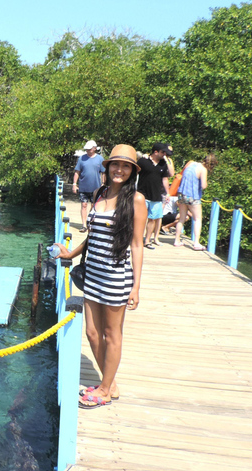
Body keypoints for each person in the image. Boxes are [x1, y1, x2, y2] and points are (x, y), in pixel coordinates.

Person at [54, 144, 146, 408]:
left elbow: (137, 244)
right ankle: (110, 382)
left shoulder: (136, 200)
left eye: (126, 166)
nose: (120, 170)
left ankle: (104, 390)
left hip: (117, 277)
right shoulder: (98, 193)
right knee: (93, 333)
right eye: (115, 165)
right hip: (92, 273)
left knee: (111, 333)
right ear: (106, 168)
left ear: (132, 171)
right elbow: (92, 236)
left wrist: (136, 287)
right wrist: (70, 254)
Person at [174, 154, 216, 251]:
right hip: (193, 196)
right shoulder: (203, 169)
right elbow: (204, 185)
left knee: (182, 218)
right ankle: (196, 243)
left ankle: (177, 240)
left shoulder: (191, 163)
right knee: (198, 219)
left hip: (181, 194)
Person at [136, 142, 171, 249]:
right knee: (139, 218)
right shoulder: (143, 161)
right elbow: (134, 174)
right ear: (156, 152)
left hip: (156, 196)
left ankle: (147, 240)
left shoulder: (163, 164)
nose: (164, 154)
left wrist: (168, 192)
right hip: (142, 195)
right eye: (163, 152)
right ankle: (136, 239)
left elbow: (165, 179)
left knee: (152, 219)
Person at [73, 140, 105, 233]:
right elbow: (77, 172)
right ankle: (83, 225)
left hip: (96, 187)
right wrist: (74, 184)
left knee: (93, 206)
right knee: (84, 205)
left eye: (89, 149)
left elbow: (103, 172)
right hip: (83, 187)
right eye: (87, 149)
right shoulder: (81, 158)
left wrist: (103, 183)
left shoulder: (100, 159)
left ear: (94, 148)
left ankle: (90, 223)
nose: (88, 151)